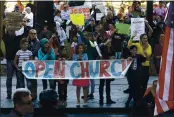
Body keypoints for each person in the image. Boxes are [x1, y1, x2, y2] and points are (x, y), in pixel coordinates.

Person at [3, 30, 23, 99]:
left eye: (13, 30)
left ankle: (18, 93)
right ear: (8, 31)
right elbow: (2, 31)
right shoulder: (6, 37)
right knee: (9, 78)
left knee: (19, 78)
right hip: (9, 60)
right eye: (11, 31)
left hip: (18, 61)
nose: (12, 32)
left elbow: (25, 33)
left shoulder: (18, 38)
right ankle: (9, 93)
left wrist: (25, 26)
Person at [99, 41, 116, 105]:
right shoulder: (103, 48)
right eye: (108, 43)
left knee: (108, 84)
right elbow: (100, 48)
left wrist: (113, 57)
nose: (109, 44)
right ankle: (101, 99)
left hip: (109, 68)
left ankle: (108, 99)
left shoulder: (112, 49)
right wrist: (105, 43)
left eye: (110, 43)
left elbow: (113, 55)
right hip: (102, 68)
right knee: (102, 84)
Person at [26, 29, 40, 101]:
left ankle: (34, 95)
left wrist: (28, 53)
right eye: (31, 33)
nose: (33, 35)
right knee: (28, 79)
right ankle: (29, 94)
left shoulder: (37, 42)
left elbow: (35, 51)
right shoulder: (26, 41)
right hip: (27, 63)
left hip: (34, 62)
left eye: (34, 33)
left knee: (34, 80)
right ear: (29, 34)